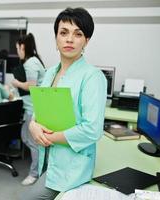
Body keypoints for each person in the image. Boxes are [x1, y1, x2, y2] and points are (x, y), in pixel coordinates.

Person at [24, 7, 107, 199]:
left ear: (86, 41)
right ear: (56, 39)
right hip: (48, 158)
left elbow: (92, 129)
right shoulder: (50, 72)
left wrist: (48, 138)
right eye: (63, 33)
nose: (69, 39)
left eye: (78, 34)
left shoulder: (93, 77)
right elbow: (40, 112)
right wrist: (32, 125)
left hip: (71, 166)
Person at [11, 33, 46, 186]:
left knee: (32, 141)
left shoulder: (31, 63)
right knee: (25, 136)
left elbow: (31, 86)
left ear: (23, 47)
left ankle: (34, 173)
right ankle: (40, 168)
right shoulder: (33, 61)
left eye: (18, 48)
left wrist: (16, 83)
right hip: (31, 106)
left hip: (34, 109)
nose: (17, 51)